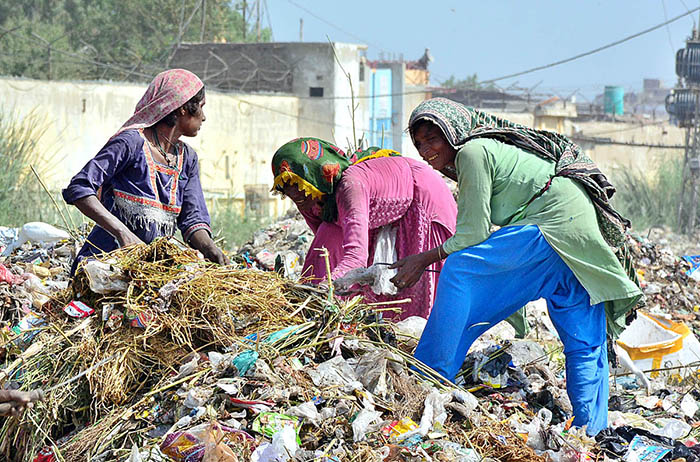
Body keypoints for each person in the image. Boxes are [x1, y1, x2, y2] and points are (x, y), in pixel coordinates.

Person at [390, 97, 642, 435]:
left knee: (460, 270)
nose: (425, 150)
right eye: (418, 143)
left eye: (432, 138)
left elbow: (473, 233)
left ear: (452, 132)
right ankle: (591, 431)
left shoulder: (472, 152)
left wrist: (422, 259)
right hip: (580, 239)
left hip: (549, 227)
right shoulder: (485, 151)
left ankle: (429, 376)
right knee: (584, 338)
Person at [271, 137, 457, 320]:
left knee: (417, 287)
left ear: (314, 174)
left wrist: (323, 290)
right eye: (285, 186)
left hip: (422, 196)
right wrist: (307, 295)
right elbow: (325, 253)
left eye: (297, 183)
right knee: (329, 251)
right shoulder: (312, 200)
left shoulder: (350, 187)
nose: (293, 193)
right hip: (379, 214)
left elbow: (355, 258)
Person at [63, 69, 227, 275]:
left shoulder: (188, 159)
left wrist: (209, 247)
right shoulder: (131, 143)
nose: (204, 117)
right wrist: (123, 233)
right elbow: (80, 187)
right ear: (184, 108)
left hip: (150, 272)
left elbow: (192, 219)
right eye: (201, 107)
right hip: (105, 267)